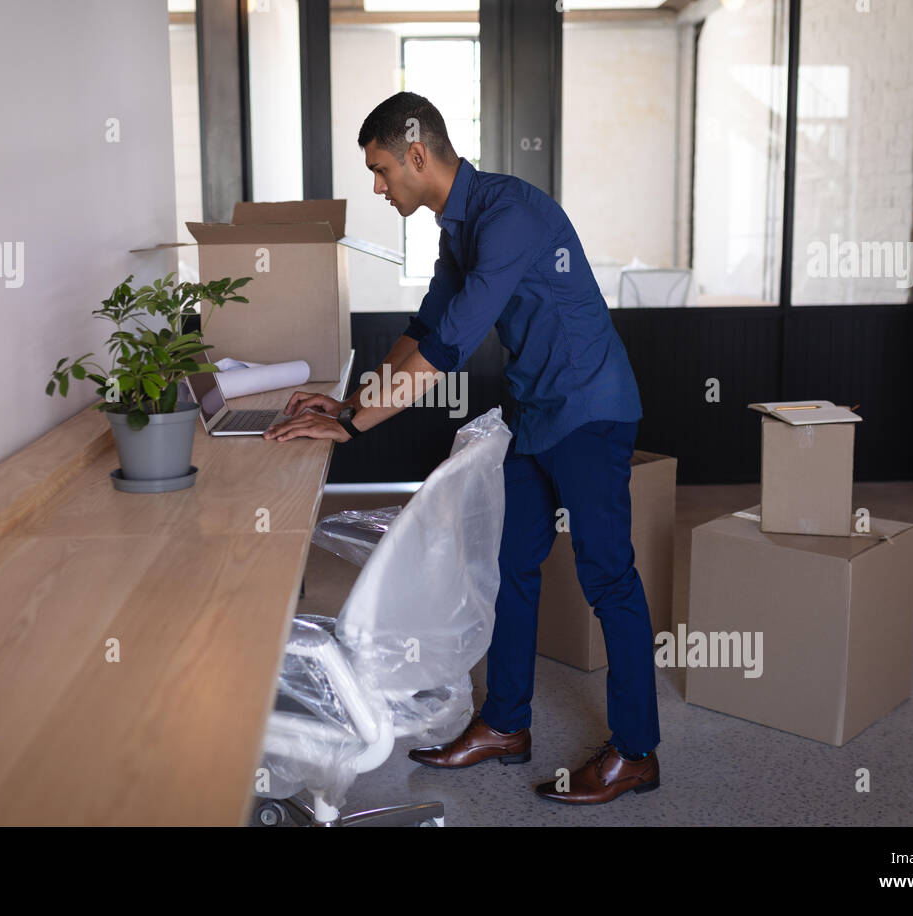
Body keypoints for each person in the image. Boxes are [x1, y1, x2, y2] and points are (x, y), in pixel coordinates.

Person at [263, 91, 660, 805]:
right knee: (510, 565)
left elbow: (446, 350)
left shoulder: (508, 217)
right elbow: (426, 324)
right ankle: (507, 726)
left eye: (382, 170)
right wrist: (352, 405)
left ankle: (637, 752)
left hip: (590, 410)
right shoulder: (461, 225)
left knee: (608, 578)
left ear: (417, 154)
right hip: (537, 411)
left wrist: (354, 428)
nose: (379, 188)